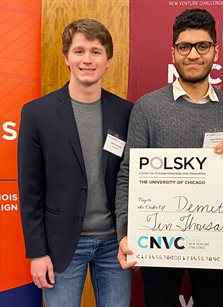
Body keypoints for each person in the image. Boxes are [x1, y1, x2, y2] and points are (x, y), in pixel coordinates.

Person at [115, 8, 223, 307]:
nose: (193, 55)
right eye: (184, 47)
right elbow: (128, 174)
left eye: (202, 46)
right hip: (158, 238)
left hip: (216, 239)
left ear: (215, 51)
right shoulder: (147, 108)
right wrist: (125, 232)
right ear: (173, 52)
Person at [18, 19, 133, 307]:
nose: (87, 59)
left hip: (115, 246)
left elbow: (133, 177)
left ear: (108, 60)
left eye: (96, 51)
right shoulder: (37, 114)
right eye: (79, 51)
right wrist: (37, 253)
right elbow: (30, 191)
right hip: (62, 245)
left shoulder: (126, 112)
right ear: (67, 57)